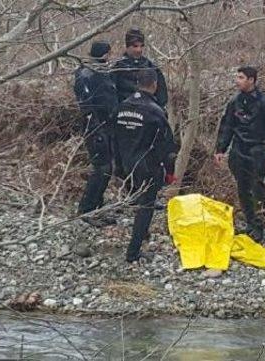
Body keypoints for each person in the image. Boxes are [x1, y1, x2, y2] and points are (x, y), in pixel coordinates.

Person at [113, 69, 178, 263]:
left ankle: (143, 233)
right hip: (147, 165)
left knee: (136, 200)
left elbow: (114, 139)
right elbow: (166, 147)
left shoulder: (121, 107)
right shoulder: (155, 111)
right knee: (146, 206)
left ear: (136, 83)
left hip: (126, 162)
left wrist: (118, 166)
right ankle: (133, 252)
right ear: (155, 85)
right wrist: (169, 173)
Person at [214, 66, 265, 242]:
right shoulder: (234, 101)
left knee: (257, 189)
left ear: (251, 80)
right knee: (242, 189)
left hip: (257, 150)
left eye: (241, 77)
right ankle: (250, 222)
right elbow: (227, 126)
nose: (238, 81)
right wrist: (220, 149)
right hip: (238, 149)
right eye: (237, 77)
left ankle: (259, 225)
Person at [73, 40, 118, 226]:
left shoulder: (101, 71)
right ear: (103, 54)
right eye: (108, 53)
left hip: (106, 125)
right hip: (95, 127)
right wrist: (96, 130)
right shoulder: (87, 74)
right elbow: (86, 106)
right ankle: (86, 210)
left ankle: (97, 208)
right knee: (102, 168)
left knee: (107, 168)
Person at [113, 27, 168, 108]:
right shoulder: (117, 69)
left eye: (141, 46)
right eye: (135, 46)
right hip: (124, 114)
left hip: (148, 114)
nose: (139, 50)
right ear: (127, 46)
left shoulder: (151, 68)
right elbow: (111, 98)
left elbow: (162, 97)